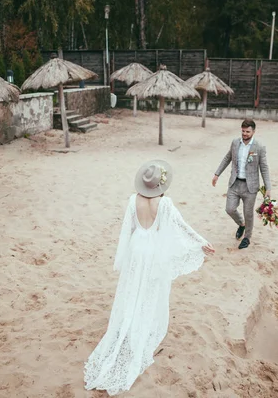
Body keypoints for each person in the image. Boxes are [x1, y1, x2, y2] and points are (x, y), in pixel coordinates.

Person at [84, 160, 215, 396]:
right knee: (149, 291)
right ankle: (141, 328)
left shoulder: (132, 201)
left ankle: (127, 324)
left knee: (132, 288)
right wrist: (201, 242)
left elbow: (129, 229)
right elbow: (181, 227)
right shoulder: (164, 203)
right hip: (153, 252)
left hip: (136, 249)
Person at [212, 119, 271, 249]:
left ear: (253, 131)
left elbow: (264, 168)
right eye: (243, 131)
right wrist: (217, 174)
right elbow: (227, 158)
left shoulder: (259, 147)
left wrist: (268, 188)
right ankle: (241, 224)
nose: (244, 134)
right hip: (234, 183)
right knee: (230, 209)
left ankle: (247, 237)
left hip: (250, 187)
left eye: (247, 131)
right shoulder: (235, 143)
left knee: (248, 213)